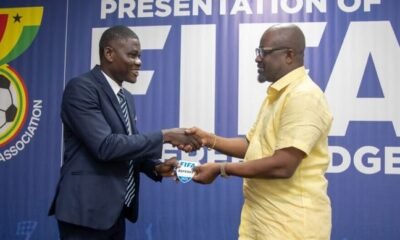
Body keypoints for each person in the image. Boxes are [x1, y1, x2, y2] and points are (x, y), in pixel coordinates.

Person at [48, 25, 200, 240]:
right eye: (132, 55)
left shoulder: (126, 97)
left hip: (114, 210)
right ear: (109, 53)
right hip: (84, 212)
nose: (139, 62)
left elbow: (128, 147)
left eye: (139, 56)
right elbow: (105, 146)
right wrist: (166, 135)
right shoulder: (81, 88)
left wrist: (155, 166)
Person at [187, 24, 333, 239]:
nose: (257, 59)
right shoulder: (277, 96)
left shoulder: (304, 96)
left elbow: (283, 165)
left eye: (264, 52)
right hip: (261, 220)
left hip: (290, 225)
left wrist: (221, 169)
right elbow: (252, 146)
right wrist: (209, 139)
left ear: (289, 55)